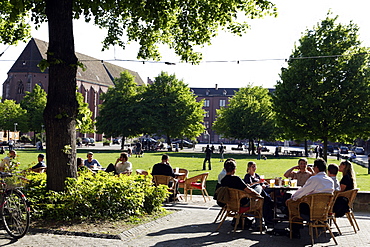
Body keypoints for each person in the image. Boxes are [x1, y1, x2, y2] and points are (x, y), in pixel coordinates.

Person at [286, 158, 334, 238]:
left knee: (291, 205)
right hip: (323, 211)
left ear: (316, 168)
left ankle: (295, 232)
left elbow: (303, 191)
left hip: (310, 210)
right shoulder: (330, 181)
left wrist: (292, 198)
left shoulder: (314, 179)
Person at [243, 161, 273, 225]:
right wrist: (258, 183)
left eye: (255, 166)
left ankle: (269, 217)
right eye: (253, 167)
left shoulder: (257, 175)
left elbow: (263, 183)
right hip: (253, 194)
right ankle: (267, 219)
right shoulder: (248, 176)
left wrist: (264, 184)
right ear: (249, 168)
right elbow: (248, 186)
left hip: (262, 192)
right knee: (266, 199)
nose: (254, 168)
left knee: (268, 196)